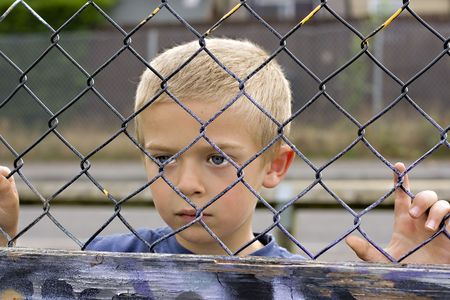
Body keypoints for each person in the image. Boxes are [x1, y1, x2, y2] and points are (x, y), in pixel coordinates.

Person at [0, 38, 448, 263]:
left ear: (274, 166)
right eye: (162, 159)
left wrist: (408, 285)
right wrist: (5, 249)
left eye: (217, 158)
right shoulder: (107, 258)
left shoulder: (301, 285)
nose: (187, 185)